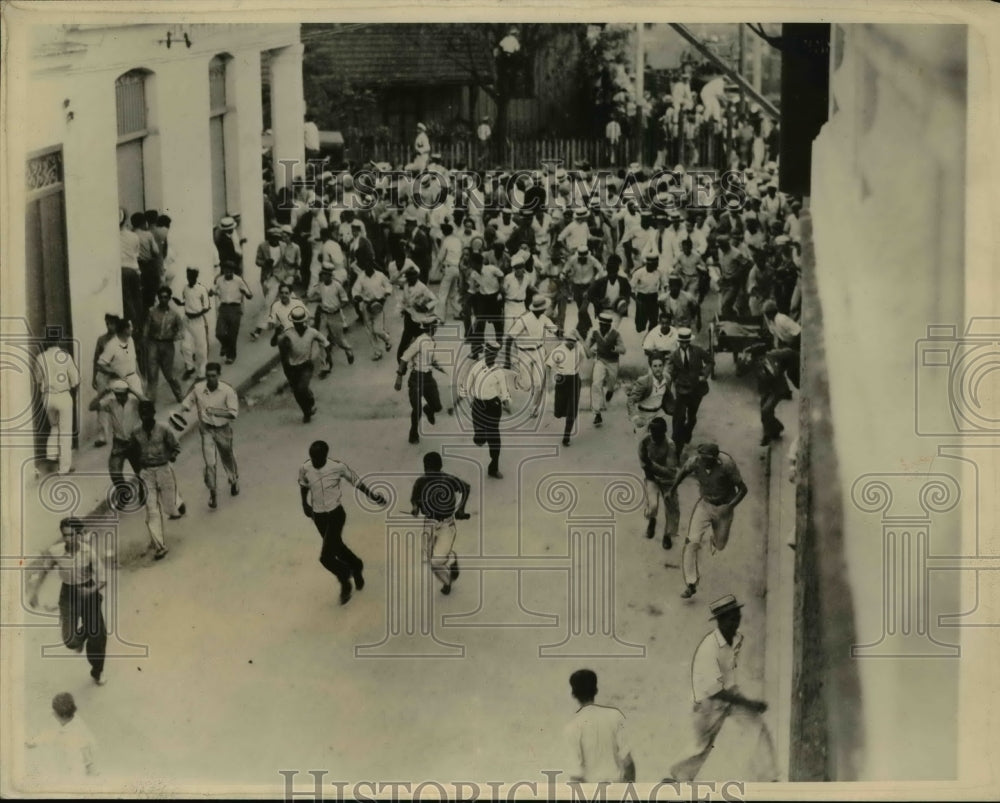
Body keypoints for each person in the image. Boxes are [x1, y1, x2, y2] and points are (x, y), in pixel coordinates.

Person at [667, 595, 778, 782]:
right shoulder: (709, 648)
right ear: (720, 620)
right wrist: (749, 702)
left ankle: (769, 777)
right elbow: (714, 691)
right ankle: (677, 779)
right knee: (700, 747)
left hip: (729, 695)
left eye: (738, 616)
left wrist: (746, 704)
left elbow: (728, 677)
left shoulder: (735, 640)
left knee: (757, 726)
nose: (737, 621)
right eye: (732, 618)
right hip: (706, 704)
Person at [298, 440, 386, 605]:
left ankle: (345, 577)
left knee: (326, 557)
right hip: (318, 517)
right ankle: (356, 565)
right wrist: (304, 504)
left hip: (336, 514)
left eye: (317, 458)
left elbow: (356, 481)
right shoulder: (305, 468)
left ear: (325, 456)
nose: (314, 462)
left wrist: (373, 496)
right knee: (337, 548)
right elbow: (303, 484)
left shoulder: (337, 467)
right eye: (312, 458)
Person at [26, 518, 108, 685]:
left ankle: (97, 672)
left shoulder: (88, 552)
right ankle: (85, 633)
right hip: (68, 594)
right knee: (71, 642)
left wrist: (91, 590)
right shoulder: (55, 551)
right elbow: (44, 570)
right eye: (65, 536)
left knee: (98, 637)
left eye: (72, 535)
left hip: (88, 591)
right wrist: (35, 591)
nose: (68, 540)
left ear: (79, 534)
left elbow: (102, 579)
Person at [668, 443, 748, 599]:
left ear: (715, 458)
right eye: (702, 458)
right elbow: (683, 472)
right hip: (704, 505)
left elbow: (743, 489)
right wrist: (672, 489)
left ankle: (714, 538)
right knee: (691, 542)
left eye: (707, 459)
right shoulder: (695, 461)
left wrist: (730, 507)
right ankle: (691, 583)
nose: (704, 462)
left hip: (723, 508)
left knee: (720, 545)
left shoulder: (727, 465)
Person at [128, 400, 184, 561]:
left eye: (147, 413)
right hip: (146, 473)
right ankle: (160, 546)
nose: (145, 416)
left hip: (164, 469)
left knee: (168, 507)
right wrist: (139, 472)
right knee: (151, 510)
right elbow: (132, 451)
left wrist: (169, 459)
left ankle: (176, 504)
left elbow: (176, 447)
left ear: (153, 413)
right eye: (142, 413)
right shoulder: (136, 432)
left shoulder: (164, 429)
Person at [179, 362, 239, 509]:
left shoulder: (227, 391)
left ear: (219, 375)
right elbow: (188, 401)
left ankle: (233, 479)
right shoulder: (199, 389)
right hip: (206, 429)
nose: (210, 379)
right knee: (210, 462)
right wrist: (184, 408)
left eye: (213, 376)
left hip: (223, 429)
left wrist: (215, 411)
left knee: (227, 456)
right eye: (208, 376)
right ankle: (212, 493)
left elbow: (233, 413)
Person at [410, 451, 471, 595]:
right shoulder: (421, 482)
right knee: (428, 556)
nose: (428, 470)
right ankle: (448, 568)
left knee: (436, 562)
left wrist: (461, 509)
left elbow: (466, 488)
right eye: (426, 467)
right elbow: (415, 498)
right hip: (429, 523)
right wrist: (415, 507)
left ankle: (449, 566)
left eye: (432, 467)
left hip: (446, 525)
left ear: (439, 467)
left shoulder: (448, 480)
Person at [564, 669, 636, 783]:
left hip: (591, 794)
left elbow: (576, 776)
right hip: (616, 791)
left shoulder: (572, 726)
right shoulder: (615, 715)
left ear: (573, 694)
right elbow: (628, 762)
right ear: (596, 690)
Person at [459, 340, 511, 479]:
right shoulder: (476, 367)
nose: (490, 356)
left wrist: (506, 402)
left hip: (493, 406)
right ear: (485, 352)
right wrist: (461, 398)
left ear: (496, 355)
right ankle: (481, 434)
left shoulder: (499, 372)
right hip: (478, 406)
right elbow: (467, 383)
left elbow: (504, 390)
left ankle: (493, 468)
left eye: (493, 354)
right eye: (488, 352)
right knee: (480, 439)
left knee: (494, 437)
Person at [88, 379, 143, 508]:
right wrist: (102, 394)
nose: (120, 397)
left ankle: (144, 493)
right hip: (119, 442)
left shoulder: (135, 401)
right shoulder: (110, 402)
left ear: (126, 393)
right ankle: (124, 494)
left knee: (141, 471)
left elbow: (148, 402)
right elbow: (92, 407)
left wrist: (134, 391)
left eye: (123, 394)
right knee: (115, 472)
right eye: (117, 394)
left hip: (135, 441)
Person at [32, 331, 80, 475]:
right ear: (58, 340)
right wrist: (73, 395)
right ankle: (64, 468)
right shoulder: (65, 356)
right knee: (65, 432)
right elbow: (76, 380)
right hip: (63, 395)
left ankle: (51, 457)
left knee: (54, 426)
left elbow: (38, 379)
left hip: (47, 397)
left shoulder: (40, 358)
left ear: (46, 341)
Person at [505, 296, 559, 419]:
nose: (545, 310)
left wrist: (566, 335)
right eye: (544, 308)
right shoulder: (523, 320)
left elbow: (555, 330)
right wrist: (507, 359)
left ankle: (534, 409)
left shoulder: (544, 318)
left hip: (539, 351)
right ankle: (514, 385)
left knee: (538, 383)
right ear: (538, 309)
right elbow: (509, 339)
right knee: (526, 384)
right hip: (524, 353)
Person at [394, 317, 445, 445]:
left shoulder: (432, 341)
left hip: (428, 378)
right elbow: (404, 358)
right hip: (416, 379)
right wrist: (399, 377)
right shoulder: (419, 341)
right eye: (435, 326)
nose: (436, 328)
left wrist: (445, 369)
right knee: (416, 409)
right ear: (430, 327)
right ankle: (413, 433)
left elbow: (431, 361)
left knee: (437, 407)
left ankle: (429, 409)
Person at [25, 692, 98, 778]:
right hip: (59, 758)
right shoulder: (65, 720)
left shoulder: (79, 735)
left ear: (63, 716)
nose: (52, 713)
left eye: (55, 712)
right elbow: (48, 733)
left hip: (72, 768)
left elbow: (87, 760)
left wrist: (90, 772)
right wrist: (35, 742)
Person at [664, 328, 713, 454]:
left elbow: (710, 361)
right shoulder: (674, 355)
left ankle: (688, 431)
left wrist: (704, 374)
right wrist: (667, 379)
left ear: (689, 341)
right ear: (679, 342)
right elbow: (669, 370)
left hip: (697, 389)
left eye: (686, 342)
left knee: (691, 417)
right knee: (678, 418)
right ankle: (676, 448)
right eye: (682, 342)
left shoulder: (697, 351)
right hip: (681, 390)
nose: (684, 344)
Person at [278, 306, 329, 423]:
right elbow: (279, 344)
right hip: (292, 368)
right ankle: (306, 412)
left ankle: (310, 401)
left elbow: (325, 342)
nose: (299, 326)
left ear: (305, 321)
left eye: (301, 323)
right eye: (296, 323)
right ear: (293, 323)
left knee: (302, 388)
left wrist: (328, 357)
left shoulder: (312, 332)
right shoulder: (288, 334)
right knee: (297, 393)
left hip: (306, 365)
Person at [638, 416, 680, 548]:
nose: (654, 435)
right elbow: (642, 459)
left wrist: (651, 465)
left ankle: (668, 535)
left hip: (668, 481)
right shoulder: (645, 441)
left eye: (658, 432)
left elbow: (671, 472)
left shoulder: (670, 445)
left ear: (664, 432)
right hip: (652, 477)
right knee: (652, 506)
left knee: (672, 509)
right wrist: (647, 470)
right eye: (652, 432)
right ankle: (652, 520)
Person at [307, 266, 355, 377]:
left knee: (339, 340)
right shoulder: (321, 286)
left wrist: (338, 307)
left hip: (335, 316)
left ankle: (348, 350)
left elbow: (345, 300)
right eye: (322, 274)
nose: (323, 276)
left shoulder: (337, 286)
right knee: (321, 340)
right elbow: (322, 298)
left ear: (330, 275)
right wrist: (311, 300)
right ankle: (325, 367)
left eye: (326, 274)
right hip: (324, 316)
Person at [143, 286, 185, 403]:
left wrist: (178, 335)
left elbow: (181, 328)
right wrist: (145, 341)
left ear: (169, 298)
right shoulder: (152, 312)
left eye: (165, 297)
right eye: (161, 297)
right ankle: (150, 400)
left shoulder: (174, 315)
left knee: (169, 374)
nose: (163, 299)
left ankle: (179, 394)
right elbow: (146, 328)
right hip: (153, 344)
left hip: (167, 345)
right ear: (158, 298)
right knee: (152, 373)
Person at [586, 311, 625, 428]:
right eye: (601, 324)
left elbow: (623, 349)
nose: (603, 327)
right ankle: (597, 413)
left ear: (609, 325)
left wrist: (614, 348)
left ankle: (611, 390)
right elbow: (588, 345)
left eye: (606, 325)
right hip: (600, 360)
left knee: (611, 382)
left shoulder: (616, 334)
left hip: (613, 362)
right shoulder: (595, 332)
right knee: (596, 384)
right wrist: (590, 350)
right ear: (599, 324)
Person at [548, 329, 585, 447]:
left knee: (572, 410)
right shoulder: (558, 350)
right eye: (569, 341)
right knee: (558, 412)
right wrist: (549, 382)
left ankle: (566, 436)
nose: (571, 343)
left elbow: (587, 355)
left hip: (574, 380)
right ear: (565, 340)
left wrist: (580, 337)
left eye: (574, 341)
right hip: (562, 381)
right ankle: (563, 413)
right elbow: (548, 366)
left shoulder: (578, 346)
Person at [211, 260, 253, 364]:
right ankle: (225, 345)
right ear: (223, 270)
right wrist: (211, 292)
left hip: (235, 308)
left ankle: (231, 356)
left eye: (230, 271)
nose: (228, 273)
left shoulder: (239, 280)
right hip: (224, 308)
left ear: (233, 271)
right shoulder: (219, 280)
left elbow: (250, 295)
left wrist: (245, 293)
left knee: (232, 334)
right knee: (219, 332)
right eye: (226, 270)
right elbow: (212, 290)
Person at [396, 264, 439, 365]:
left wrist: (426, 307)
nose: (411, 279)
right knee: (405, 341)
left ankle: (430, 359)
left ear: (417, 277)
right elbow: (394, 281)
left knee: (423, 341)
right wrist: (401, 309)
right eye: (409, 277)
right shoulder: (406, 285)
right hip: (408, 316)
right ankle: (401, 363)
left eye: (413, 277)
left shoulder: (422, 287)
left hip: (419, 318)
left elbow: (435, 300)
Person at [352, 261, 394, 360]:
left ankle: (387, 339)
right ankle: (377, 352)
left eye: (369, 265)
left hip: (378, 306)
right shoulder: (361, 277)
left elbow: (388, 286)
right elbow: (355, 290)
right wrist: (357, 296)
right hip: (366, 306)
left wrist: (386, 294)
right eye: (366, 266)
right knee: (370, 331)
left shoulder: (380, 275)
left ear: (373, 265)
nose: (368, 268)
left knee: (378, 330)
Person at [251, 226, 285, 340]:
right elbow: (257, 261)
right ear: (269, 237)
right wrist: (265, 263)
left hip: (278, 277)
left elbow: (286, 261)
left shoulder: (283, 246)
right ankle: (276, 324)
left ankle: (258, 330)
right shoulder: (262, 246)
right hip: (266, 277)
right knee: (271, 302)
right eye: (272, 238)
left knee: (267, 303)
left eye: (277, 238)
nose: (275, 240)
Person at [96, 317, 144, 398]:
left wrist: (140, 377)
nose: (132, 329)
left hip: (134, 379)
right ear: (124, 329)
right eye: (130, 327)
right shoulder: (112, 345)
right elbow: (100, 364)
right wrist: (114, 372)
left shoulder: (131, 340)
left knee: (138, 405)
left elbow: (134, 360)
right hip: (119, 381)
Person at [177, 267, 211, 381]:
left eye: (192, 277)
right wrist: (179, 303)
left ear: (196, 277)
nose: (189, 279)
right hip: (187, 320)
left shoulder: (201, 289)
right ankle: (190, 367)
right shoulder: (185, 288)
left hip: (198, 321)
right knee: (185, 346)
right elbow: (185, 301)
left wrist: (196, 315)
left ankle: (202, 373)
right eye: (188, 276)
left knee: (201, 347)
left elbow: (206, 307)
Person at [757, 348, 795, 446]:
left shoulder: (771, 364)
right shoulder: (760, 364)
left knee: (766, 410)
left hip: (777, 390)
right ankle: (775, 429)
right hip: (768, 389)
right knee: (764, 410)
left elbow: (775, 375)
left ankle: (769, 434)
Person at [91, 314, 119, 447]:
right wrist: (94, 376)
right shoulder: (101, 340)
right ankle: (102, 436)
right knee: (102, 404)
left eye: (112, 323)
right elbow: (96, 359)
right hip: (103, 375)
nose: (109, 326)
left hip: (116, 376)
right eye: (107, 323)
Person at [626, 355, 673, 433]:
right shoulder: (644, 381)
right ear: (651, 367)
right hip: (643, 414)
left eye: (660, 366)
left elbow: (667, 396)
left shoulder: (667, 378)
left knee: (659, 439)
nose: (658, 369)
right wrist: (635, 417)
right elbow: (630, 400)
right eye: (655, 366)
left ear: (663, 366)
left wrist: (672, 409)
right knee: (642, 441)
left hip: (658, 414)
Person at [119, 208, 144, 333]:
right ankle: (137, 327)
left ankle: (130, 328)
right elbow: (136, 253)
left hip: (121, 271)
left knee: (127, 302)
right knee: (137, 301)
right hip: (134, 270)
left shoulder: (111, 236)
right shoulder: (134, 236)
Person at [631, 254, 663, 333]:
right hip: (642, 298)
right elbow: (631, 288)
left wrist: (662, 296)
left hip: (653, 298)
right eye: (653, 264)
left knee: (654, 322)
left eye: (656, 264)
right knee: (640, 327)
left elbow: (664, 284)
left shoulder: (658, 273)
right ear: (647, 264)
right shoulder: (639, 273)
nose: (655, 267)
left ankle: (649, 338)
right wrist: (636, 300)